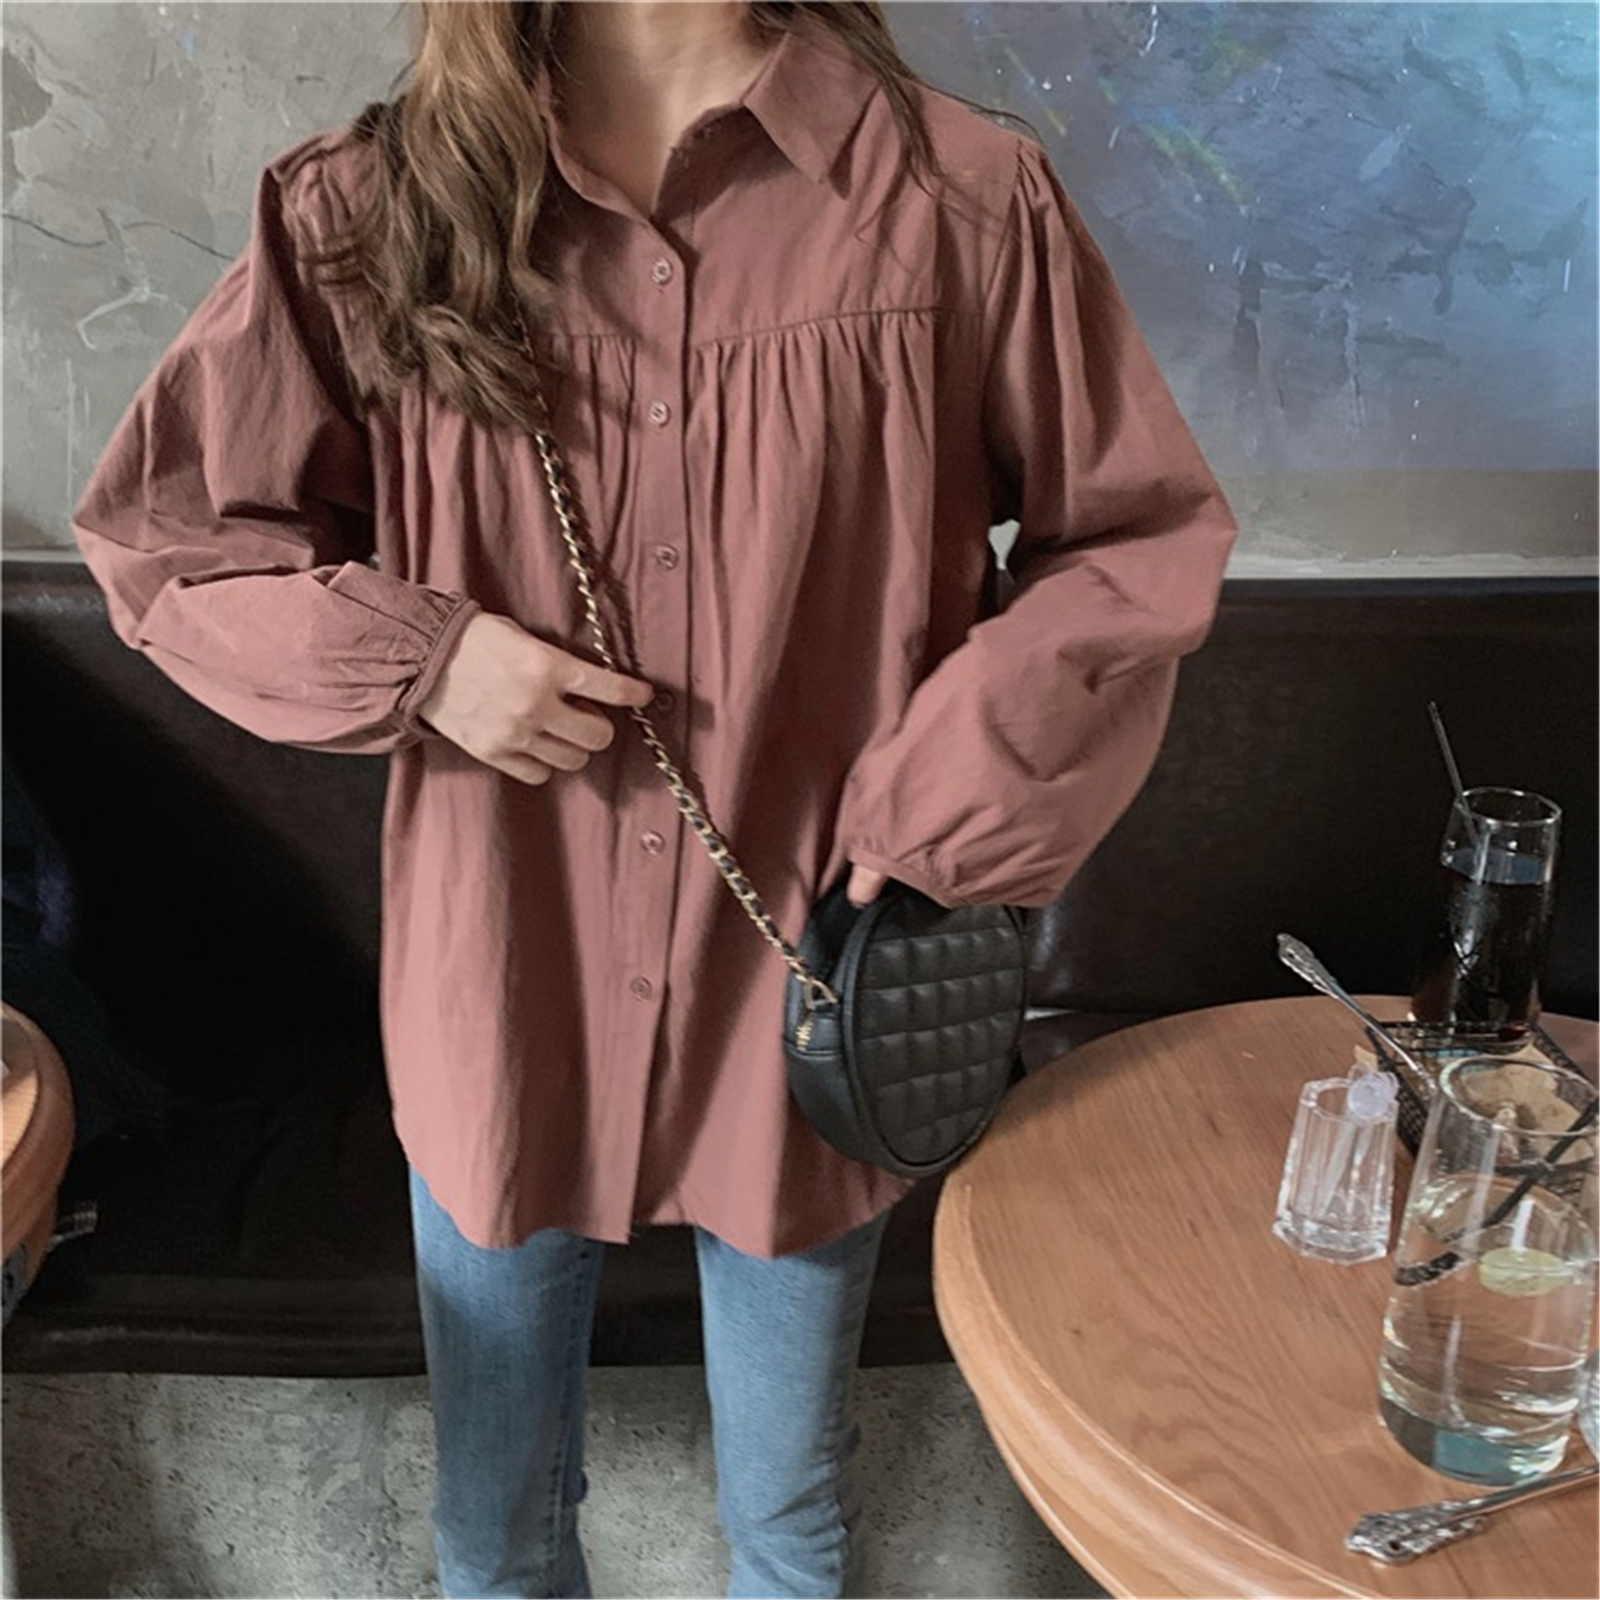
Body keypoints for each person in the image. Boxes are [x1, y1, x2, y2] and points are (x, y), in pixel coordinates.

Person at [71, 2, 1237, 1595]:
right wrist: (428, 662)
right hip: (508, 966)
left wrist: (943, 813)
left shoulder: (957, 200)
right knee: (493, 1537)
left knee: (790, 1528)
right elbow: (172, 542)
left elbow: (1129, 546)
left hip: (814, 975)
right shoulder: (373, 209)